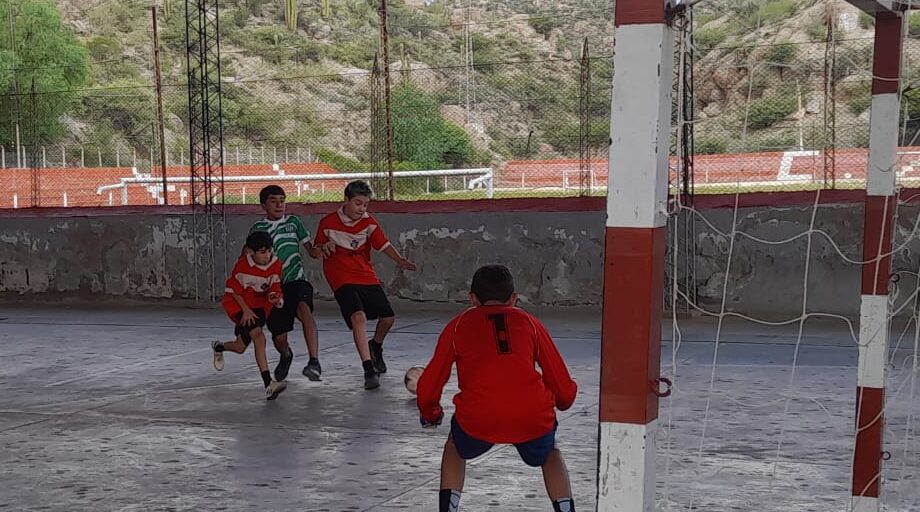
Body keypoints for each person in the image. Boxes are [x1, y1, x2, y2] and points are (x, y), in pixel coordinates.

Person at [416, 264, 578, 512]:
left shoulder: (458, 325)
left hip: (478, 417)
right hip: (532, 416)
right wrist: (562, 402)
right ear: (514, 298)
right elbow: (561, 382)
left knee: (455, 447)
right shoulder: (530, 323)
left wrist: (431, 414)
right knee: (550, 452)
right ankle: (565, 508)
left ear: (472, 298)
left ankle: (448, 508)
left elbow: (431, 382)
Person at [314, 180, 417, 390]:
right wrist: (324, 248)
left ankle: (375, 346)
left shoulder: (369, 222)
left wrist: (400, 260)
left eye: (365, 205)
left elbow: (384, 244)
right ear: (346, 200)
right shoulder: (327, 223)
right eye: (358, 204)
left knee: (388, 318)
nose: (361, 209)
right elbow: (315, 250)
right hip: (340, 276)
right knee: (358, 317)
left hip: (364, 273)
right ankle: (368, 369)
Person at [250, 185, 324, 382]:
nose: (279, 205)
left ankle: (314, 361)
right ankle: (286, 355)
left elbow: (312, 250)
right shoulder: (259, 229)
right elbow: (247, 258)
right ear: (263, 205)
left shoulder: (294, 222)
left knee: (304, 310)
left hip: (296, 280)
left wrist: (323, 248)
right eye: (273, 201)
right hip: (273, 287)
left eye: (282, 201)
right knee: (279, 336)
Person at [211, 230, 288, 400]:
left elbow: (275, 287)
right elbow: (234, 291)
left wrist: (276, 298)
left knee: (239, 347)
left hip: (259, 307)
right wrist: (245, 310)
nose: (267, 255)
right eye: (262, 252)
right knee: (259, 337)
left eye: (269, 251)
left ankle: (219, 347)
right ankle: (269, 384)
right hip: (239, 305)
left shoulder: (276, 264)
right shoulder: (242, 266)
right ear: (250, 252)